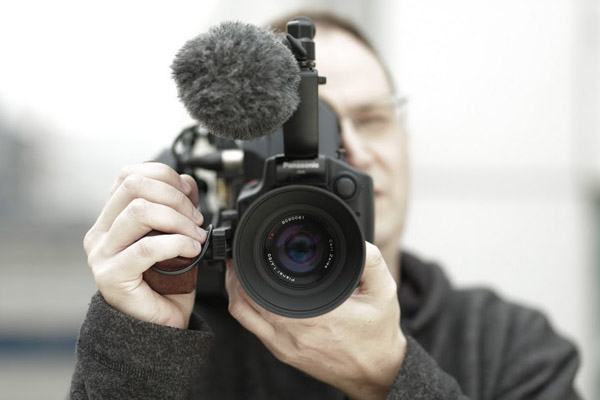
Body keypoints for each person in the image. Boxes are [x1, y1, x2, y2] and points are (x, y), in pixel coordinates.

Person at [70, 12, 581, 400]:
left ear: (404, 138)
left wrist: (388, 375)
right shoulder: (178, 332)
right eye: (311, 131)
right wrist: (138, 353)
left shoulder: (507, 344)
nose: (350, 152)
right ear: (240, 161)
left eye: (372, 119)